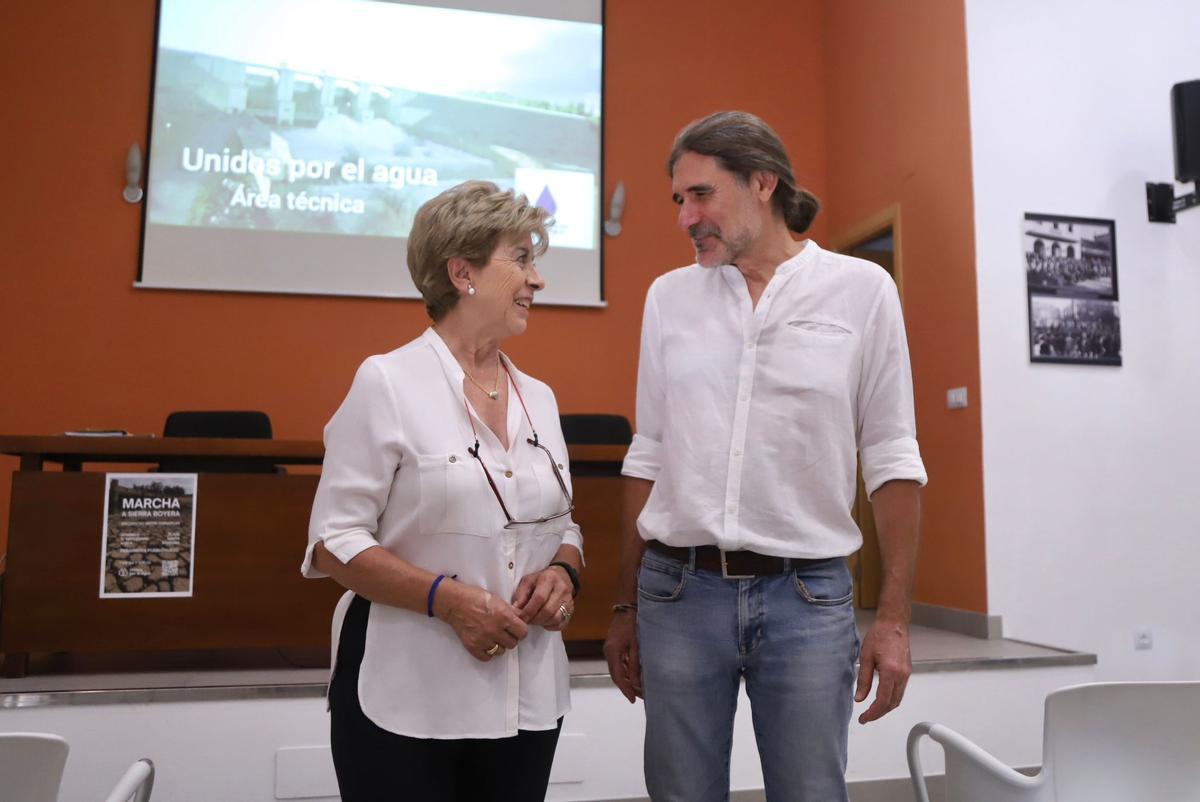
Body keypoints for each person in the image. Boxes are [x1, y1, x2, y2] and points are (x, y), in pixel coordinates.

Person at [603, 111, 927, 802]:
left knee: (811, 793)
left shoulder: (862, 291)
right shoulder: (669, 298)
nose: (687, 216)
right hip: (679, 595)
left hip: (808, 599)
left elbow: (893, 455)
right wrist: (623, 606)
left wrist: (893, 618)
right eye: (678, 200)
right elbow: (649, 452)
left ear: (762, 182)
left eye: (701, 195)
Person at [302, 180, 584, 802]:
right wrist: (448, 600)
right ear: (463, 273)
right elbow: (333, 541)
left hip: (529, 698)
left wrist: (565, 572)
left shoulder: (540, 398)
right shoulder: (387, 382)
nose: (537, 280)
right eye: (521, 259)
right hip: (407, 699)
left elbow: (564, 524)